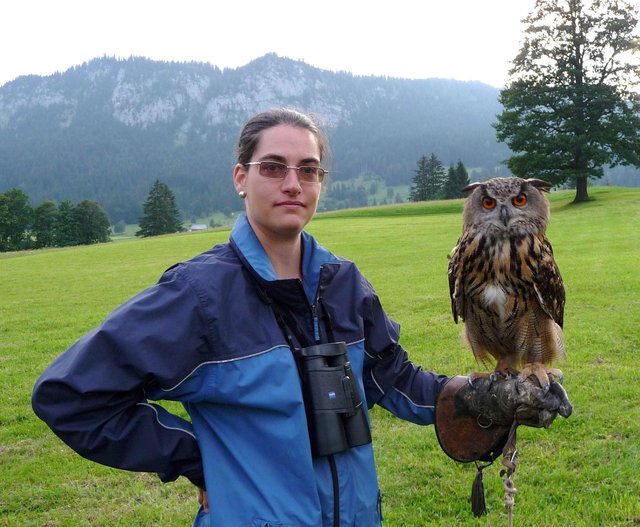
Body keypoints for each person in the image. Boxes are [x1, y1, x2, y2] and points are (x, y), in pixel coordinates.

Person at [32, 108, 570, 526]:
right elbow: (71, 395)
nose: (293, 182)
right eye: (274, 168)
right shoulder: (198, 295)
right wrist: (200, 459)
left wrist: (479, 398)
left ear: (320, 182)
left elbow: (393, 380)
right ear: (241, 178)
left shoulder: (344, 283)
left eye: (308, 170)